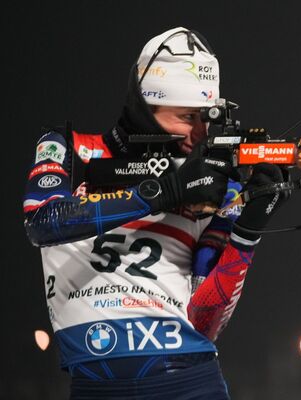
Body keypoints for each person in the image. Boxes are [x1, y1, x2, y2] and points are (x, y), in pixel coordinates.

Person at [23, 27, 286, 399]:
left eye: (206, 118)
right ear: (146, 108)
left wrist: (246, 232)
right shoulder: (69, 149)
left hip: (191, 382)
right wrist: (168, 191)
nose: (199, 133)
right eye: (186, 117)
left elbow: (204, 323)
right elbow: (43, 222)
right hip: (95, 389)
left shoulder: (209, 181)